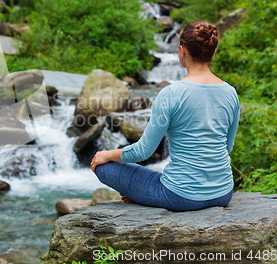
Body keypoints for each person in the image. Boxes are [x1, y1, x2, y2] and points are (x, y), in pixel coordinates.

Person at [91, 21, 240, 212]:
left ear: (182, 50)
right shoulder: (230, 93)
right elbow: (226, 148)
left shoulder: (170, 94)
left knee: (103, 166)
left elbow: (143, 152)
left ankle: (143, 195)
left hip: (180, 196)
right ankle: (144, 193)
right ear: (213, 52)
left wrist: (107, 154)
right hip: (223, 192)